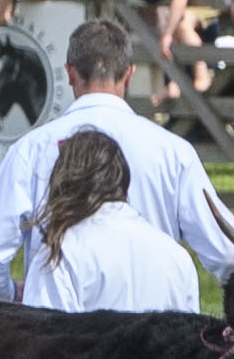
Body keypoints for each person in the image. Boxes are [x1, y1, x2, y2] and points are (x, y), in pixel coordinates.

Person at [0, 7, 234, 305]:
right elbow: (224, 246)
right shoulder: (173, 152)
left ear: (70, 73)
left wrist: (9, 296)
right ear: (128, 74)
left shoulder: (31, 150)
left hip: (60, 332)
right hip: (154, 336)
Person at [11, 125, 208, 314]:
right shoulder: (177, 257)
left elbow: (43, 340)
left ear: (65, 183)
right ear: (122, 178)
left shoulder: (59, 256)